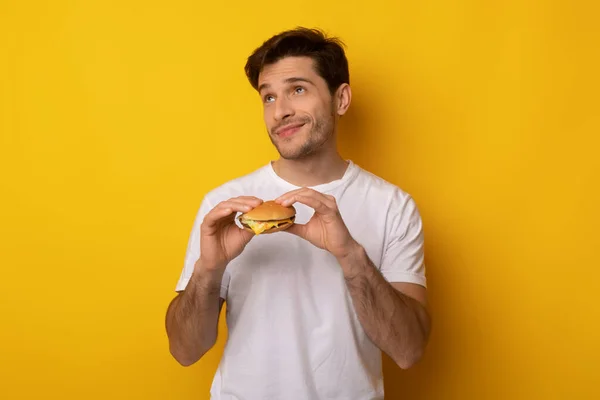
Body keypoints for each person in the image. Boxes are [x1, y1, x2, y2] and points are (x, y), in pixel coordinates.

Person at [165, 27, 431, 400]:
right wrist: (208, 269)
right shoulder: (224, 205)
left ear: (341, 99)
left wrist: (350, 255)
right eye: (268, 96)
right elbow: (184, 351)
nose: (280, 110)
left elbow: (409, 350)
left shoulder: (393, 206)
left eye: (298, 90)